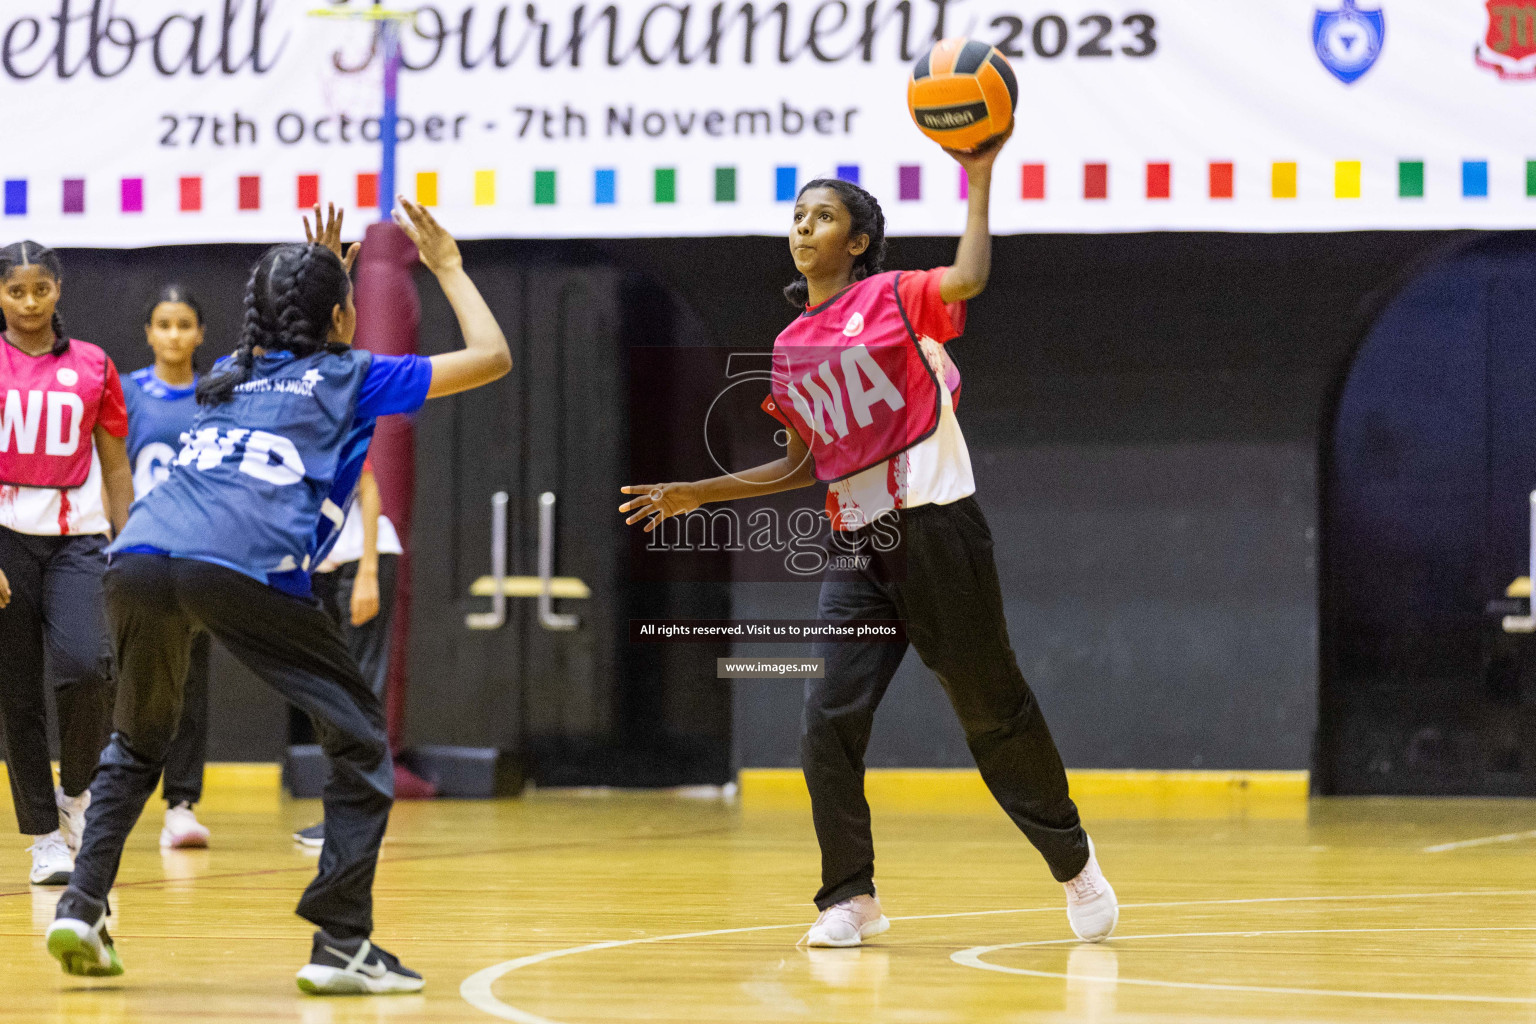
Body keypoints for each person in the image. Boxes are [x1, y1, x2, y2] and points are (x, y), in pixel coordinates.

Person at [619, 133, 1119, 947]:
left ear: (856, 242)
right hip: (859, 545)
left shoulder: (894, 297)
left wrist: (980, 179)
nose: (804, 227)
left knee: (993, 716)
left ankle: (1076, 866)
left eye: (823, 217)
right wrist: (695, 494)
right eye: (797, 216)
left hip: (938, 531)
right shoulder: (787, 349)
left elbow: (970, 278)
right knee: (826, 717)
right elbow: (802, 465)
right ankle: (850, 896)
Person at [45, 200, 512, 993]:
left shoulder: (229, 374)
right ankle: (341, 944)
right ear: (341, 314)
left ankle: (82, 906)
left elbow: (278, 331)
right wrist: (449, 268)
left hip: (141, 555)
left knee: (136, 741)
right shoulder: (352, 374)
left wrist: (318, 271)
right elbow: (492, 355)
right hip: (238, 562)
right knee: (362, 740)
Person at [0, 241, 132, 887]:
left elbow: (115, 466)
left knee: (89, 668)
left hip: (78, 537)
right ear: (0, 295)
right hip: (3, 541)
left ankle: (74, 794)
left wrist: (130, 544)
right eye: (15, 291)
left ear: (59, 291)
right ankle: (44, 838)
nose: (29, 303)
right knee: (15, 694)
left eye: (40, 290)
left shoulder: (94, 365)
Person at [123, 285, 214, 850]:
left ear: (200, 333)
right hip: (137, 552)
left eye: (184, 324)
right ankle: (100, 792)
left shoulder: (217, 394)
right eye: (164, 324)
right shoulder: (128, 391)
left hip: (199, 554)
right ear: (150, 332)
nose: (174, 335)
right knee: (122, 676)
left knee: (190, 678)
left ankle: (181, 803)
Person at [293, 458, 402, 849]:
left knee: (361, 687)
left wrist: (369, 571)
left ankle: (357, 817)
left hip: (362, 560)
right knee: (332, 692)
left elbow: (369, 491)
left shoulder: (331, 417)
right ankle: (348, 813)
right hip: (326, 570)